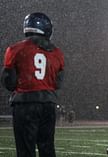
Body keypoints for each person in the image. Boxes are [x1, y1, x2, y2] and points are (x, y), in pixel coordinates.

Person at [0, 12, 64, 157]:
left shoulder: (15, 49)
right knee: (47, 148)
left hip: (25, 103)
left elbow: (8, 82)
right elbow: (58, 83)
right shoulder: (57, 52)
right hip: (48, 103)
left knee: (25, 150)